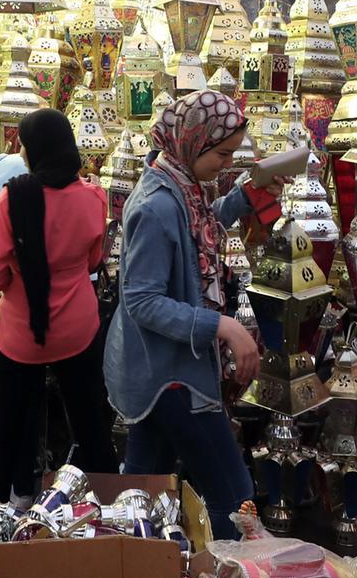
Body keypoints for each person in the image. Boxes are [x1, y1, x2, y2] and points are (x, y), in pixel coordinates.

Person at [105, 90, 271, 539]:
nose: (225, 163)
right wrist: (222, 324)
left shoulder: (179, 184)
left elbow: (199, 229)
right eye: (221, 153)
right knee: (234, 496)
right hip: (172, 374)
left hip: (165, 370)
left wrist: (243, 198)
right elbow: (140, 299)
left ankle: (125, 573)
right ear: (193, 142)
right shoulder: (157, 204)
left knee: (143, 493)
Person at [0, 110, 116, 502]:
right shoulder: (93, 197)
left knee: (5, 426)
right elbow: (92, 262)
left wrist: (24, 278)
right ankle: (110, 508)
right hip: (76, 328)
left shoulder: (14, 197)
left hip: (20, 333)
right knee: (90, 423)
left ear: (34, 149)